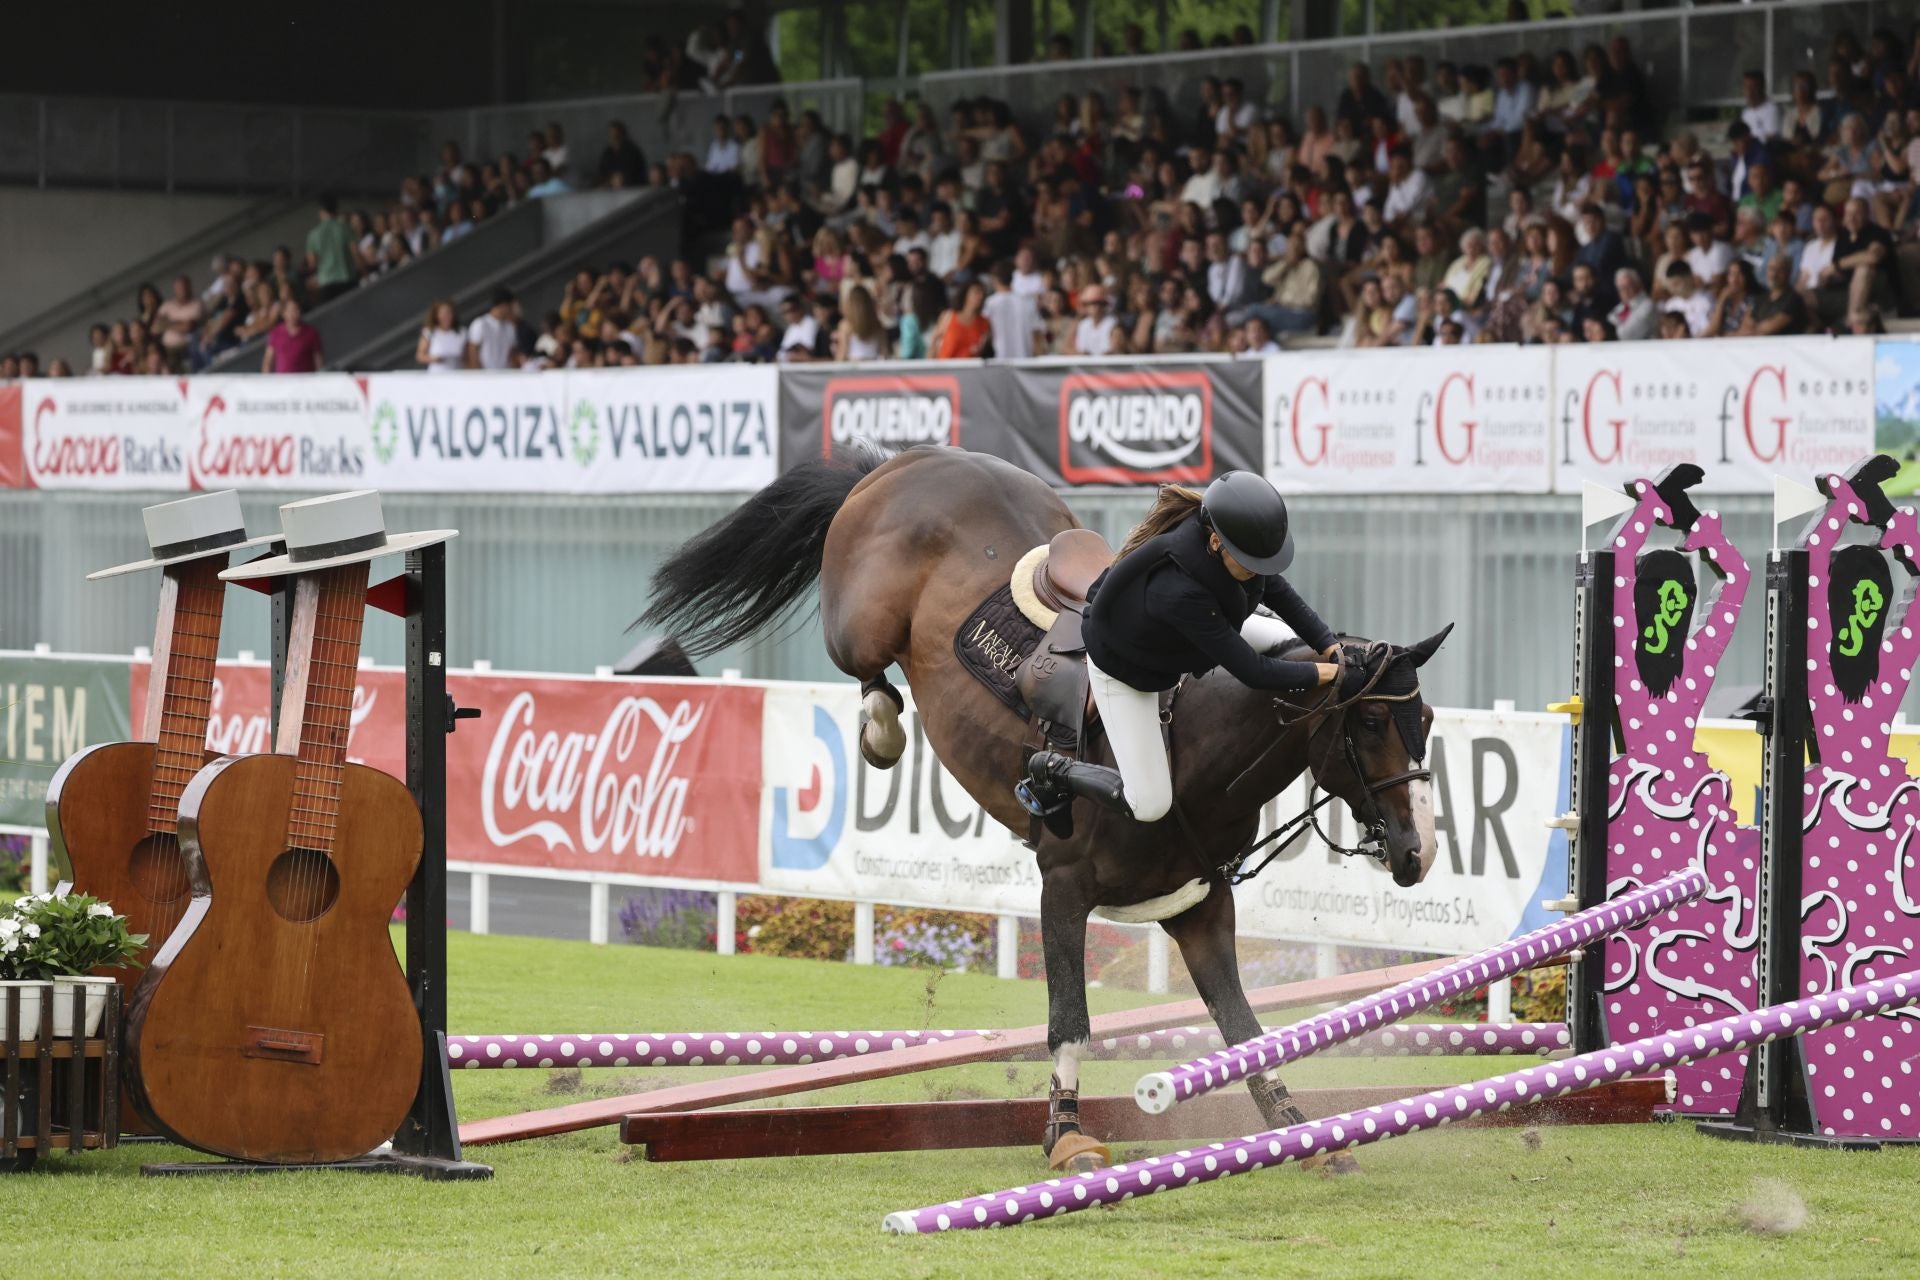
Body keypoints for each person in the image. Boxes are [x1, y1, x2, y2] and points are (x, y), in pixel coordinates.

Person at [1018, 474, 1342, 824]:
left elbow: (1279, 592)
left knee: (1288, 644)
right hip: (1125, 669)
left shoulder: (1231, 548)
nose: (1258, 573)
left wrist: (1328, 644)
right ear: (1216, 542)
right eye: (1252, 565)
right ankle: (1055, 772)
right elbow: (1253, 671)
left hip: (1197, 628)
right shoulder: (1178, 592)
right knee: (1149, 805)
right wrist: (1323, 672)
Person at [304, 194, 358, 305]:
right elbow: (355, 253)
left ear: (321, 211)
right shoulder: (345, 227)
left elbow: (312, 263)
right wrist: (365, 272)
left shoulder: (313, 235)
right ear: (336, 209)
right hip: (347, 278)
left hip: (326, 283)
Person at [261, 297, 323, 373]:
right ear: (284, 313)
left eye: (297, 309)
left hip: (306, 381)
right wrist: (266, 381)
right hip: (283, 382)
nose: (295, 313)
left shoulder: (311, 332)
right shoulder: (275, 333)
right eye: (291, 311)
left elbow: (318, 360)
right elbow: (268, 361)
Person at [466, 286, 520, 369]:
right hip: (485, 377)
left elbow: (512, 355)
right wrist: (477, 376)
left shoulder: (509, 328)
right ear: (503, 305)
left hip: (504, 377)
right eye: (510, 306)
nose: (511, 310)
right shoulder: (480, 324)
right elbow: (472, 352)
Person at [416, 300, 465, 372]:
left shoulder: (462, 332)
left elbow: (468, 357)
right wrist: (434, 359)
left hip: (457, 374)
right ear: (436, 315)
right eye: (442, 313)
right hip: (437, 375)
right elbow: (420, 356)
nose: (446, 316)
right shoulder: (430, 332)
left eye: (448, 313)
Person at [598, 120, 647, 188]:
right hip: (610, 190)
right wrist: (610, 181)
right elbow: (601, 173)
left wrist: (623, 179)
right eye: (612, 134)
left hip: (631, 188)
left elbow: (639, 174)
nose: (614, 137)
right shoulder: (607, 153)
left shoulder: (633, 152)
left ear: (622, 134)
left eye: (616, 135)